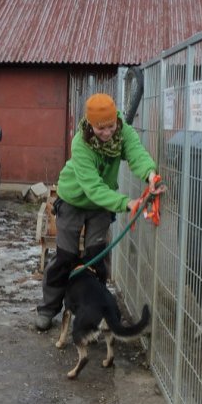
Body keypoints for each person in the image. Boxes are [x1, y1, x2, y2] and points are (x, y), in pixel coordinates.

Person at [34, 93, 165, 331]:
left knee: (96, 257)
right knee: (66, 256)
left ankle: (95, 311)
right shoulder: (81, 144)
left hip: (101, 206)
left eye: (111, 126)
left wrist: (150, 175)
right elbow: (93, 188)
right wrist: (127, 203)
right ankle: (48, 308)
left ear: (116, 119)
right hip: (74, 199)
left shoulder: (123, 133)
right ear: (90, 124)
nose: (107, 133)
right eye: (100, 128)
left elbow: (136, 154)